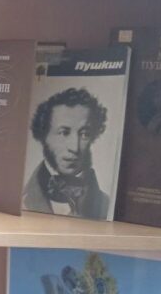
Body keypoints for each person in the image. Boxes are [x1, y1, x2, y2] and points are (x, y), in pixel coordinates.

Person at [23, 87, 110, 219]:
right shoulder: (19, 198)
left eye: (84, 134)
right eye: (64, 133)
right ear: (43, 134)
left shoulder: (106, 205)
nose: (74, 148)